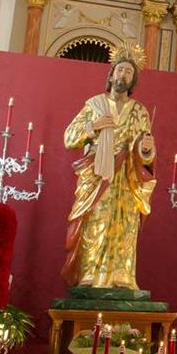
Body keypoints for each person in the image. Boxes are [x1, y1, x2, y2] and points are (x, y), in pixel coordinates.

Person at [62, 46, 156, 289]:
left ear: (133, 80)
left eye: (128, 72)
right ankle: (90, 275)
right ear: (111, 74)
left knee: (125, 225)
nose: (123, 75)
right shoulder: (94, 105)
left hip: (126, 177)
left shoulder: (140, 111)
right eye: (120, 70)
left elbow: (144, 153)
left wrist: (145, 148)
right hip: (98, 173)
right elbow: (69, 137)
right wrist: (92, 127)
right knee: (97, 221)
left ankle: (121, 277)